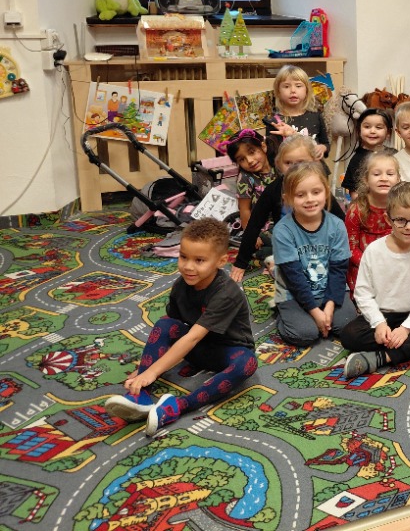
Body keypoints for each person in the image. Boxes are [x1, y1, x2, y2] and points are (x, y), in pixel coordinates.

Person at [103, 218, 257, 435]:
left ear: (221, 261)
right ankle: (141, 395)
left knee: (247, 363)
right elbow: (173, 327)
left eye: (199, 260)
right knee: (165, 323)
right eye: (184, 257)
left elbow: (193, 337)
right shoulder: (181, 286)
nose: (188, 266)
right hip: (196, 349)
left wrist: (154, 370)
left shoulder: (227, 293)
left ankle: (177, 406)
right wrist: (145, 369)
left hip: (227, 351)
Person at [340, 182, 410, 376]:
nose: (409, 227)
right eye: (400, 220)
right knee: (349, 336)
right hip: (384, 315)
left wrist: (406, 328)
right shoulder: (373, 251)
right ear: (388, 219)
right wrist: (379, 323)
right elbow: (362, 293)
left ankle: (381, 358)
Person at [230, 134, 344, 283]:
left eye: (301, 162)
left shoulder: (319, 189)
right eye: (288, 163)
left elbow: (341, 220)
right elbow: (254, 225)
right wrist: (240, 262)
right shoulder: (273, 190)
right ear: (279, 164)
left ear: (315, 162)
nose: (295, 168)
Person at [270, 162, 350, 347]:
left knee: (347, 326)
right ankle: (282, 313)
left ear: (326, 192)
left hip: (328, 288)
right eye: (300, 195)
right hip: (293, 293)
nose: (309, 199)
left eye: (316, 192)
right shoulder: (282, 231)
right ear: (287, 199)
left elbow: (339, 270)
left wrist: (329, 306)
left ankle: (322, 311)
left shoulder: (337, 225)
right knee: (305, 334)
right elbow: (294, 277)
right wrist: (315, 312)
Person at [345, 149, 400, 296]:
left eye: (390, 174)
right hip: (363, 268)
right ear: (366, 179)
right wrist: (371, 264)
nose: (384, 178)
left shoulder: (401, 208)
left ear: (398, 179)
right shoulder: (357, 210)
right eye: (376, 174)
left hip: (394, 267)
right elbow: (350, 248)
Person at [264, 64, 330, 166]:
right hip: (290, 173)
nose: (293, 90)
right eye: (286, 86)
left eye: (298, 86)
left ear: (307, 90)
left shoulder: (316, 116)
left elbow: (326, 143)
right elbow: (272, 159)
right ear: (278, 92)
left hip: (316, 170)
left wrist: (323, 148)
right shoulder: (274, 122)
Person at [226, 129, 277, 231]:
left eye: (252, 152)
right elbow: (245, 210)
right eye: (242, 159)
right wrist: (252, 236)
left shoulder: (280, 165)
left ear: (263, 147)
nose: (249, 161)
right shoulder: (245, 178)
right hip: (263, 229)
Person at [342, 108, 395, 200]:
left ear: (388, 133)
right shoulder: (356, 159)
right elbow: (354, 193)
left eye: (378, 127)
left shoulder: (394, 155)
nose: (372, 131)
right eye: (367, 127)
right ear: (359, 131)